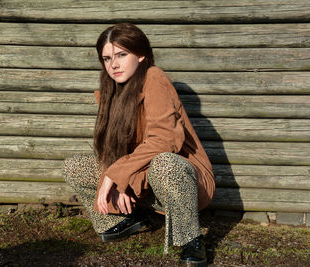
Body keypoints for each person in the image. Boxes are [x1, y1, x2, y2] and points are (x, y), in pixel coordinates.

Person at [63, 23, 215, 266]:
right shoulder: (111, 90)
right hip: (140, 180)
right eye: (107, 58)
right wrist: (116, 178)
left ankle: (191, 239)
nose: (113, 65)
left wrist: (117, 176)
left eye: (122, 55)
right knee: (75, 166)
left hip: (182, 178)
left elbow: (165, 141)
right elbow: (112, 152)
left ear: (141, 54)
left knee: (164, 164)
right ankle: (124, 220)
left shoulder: (154, 77)